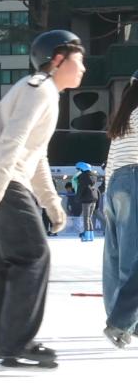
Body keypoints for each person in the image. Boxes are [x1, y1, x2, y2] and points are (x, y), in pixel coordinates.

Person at [0, 29, 85, 371]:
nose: (83, 67)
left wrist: (51, 202)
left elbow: (36, 155)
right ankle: (19, 343)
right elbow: (13, 140)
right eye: (78, 59)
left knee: (8, 267)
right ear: (58, 60)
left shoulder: (43, 92)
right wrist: (1, 185)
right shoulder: (40, 89)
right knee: (33, 256)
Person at [102, 69, 138, 348]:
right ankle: (123, 322)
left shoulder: (123, 119)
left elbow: (112, 161)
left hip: (115, 184)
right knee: (133, 256)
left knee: (115, 256)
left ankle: (120, 316)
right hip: (135, 179)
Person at [74, 162, 99, 242]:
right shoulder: (93, 176)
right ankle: (91, 236)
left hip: (86, 199)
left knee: (86, 218)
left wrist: (77, 197)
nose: (79, 171)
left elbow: (81, 188)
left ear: (82, 168)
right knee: (89, 218)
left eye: (79, 169)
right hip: (93, 198)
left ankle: (87, 236)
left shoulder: (83, 176)